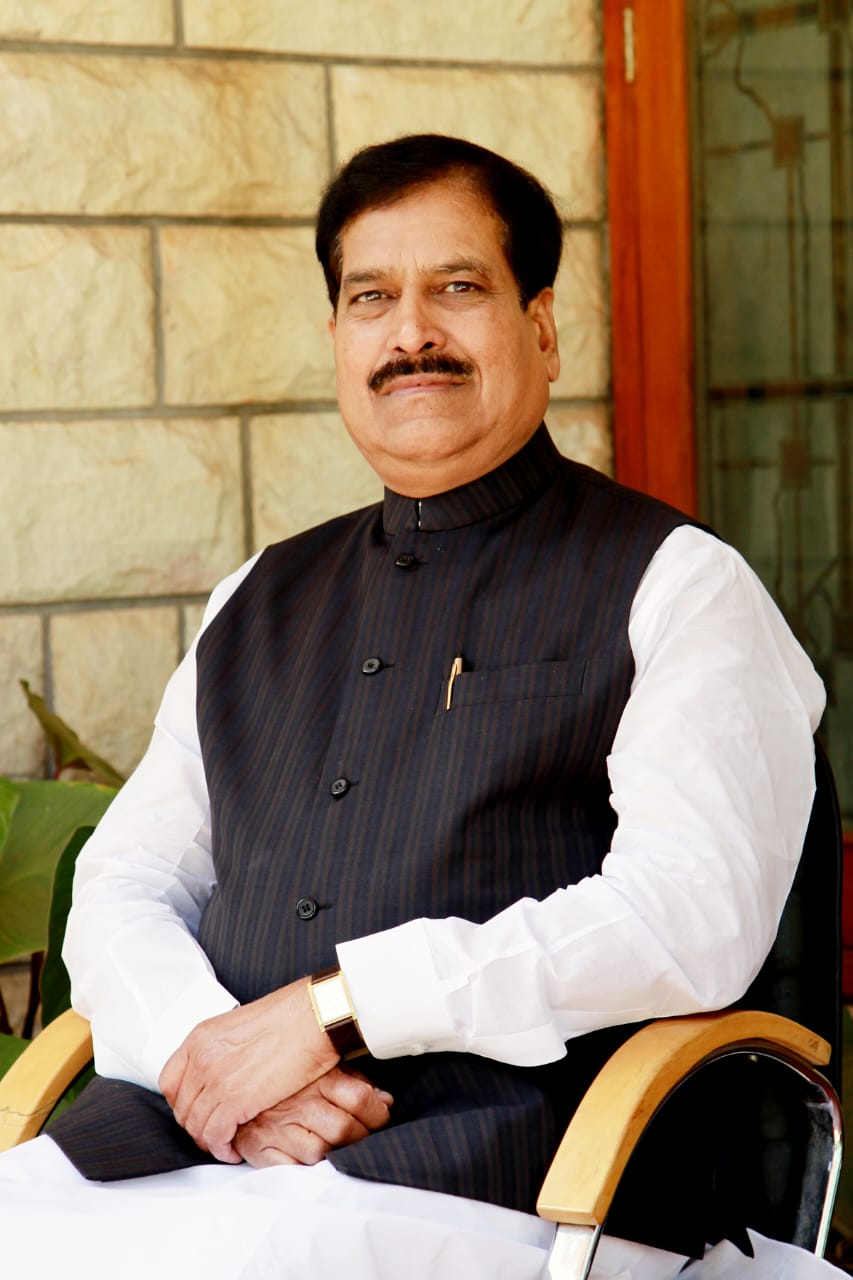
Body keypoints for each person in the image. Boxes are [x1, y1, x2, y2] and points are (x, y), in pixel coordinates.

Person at [0, 134, 842, 1280]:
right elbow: (127, 879)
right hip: (202, 1148)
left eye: (457, 287)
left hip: (521, 1179)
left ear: (542, 328)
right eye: (371, 297)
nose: (410, 333)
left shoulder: (679, 585)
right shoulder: (257, 598)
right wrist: (210, 1057)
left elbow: (686, 916)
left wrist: (338, 1011)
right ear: (338, 339)